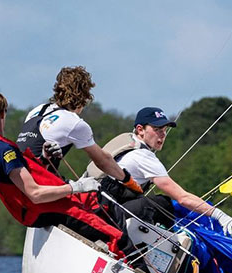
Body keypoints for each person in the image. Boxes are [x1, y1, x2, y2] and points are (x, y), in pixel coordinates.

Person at [0, 89, 127, 254]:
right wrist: (77, 187)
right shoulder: (3, 149)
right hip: (42, 209)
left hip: (34, 209)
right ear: (2, 114)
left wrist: (45, 159)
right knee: (118, 235)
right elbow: (34, 194)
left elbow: (22, 179)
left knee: (101, 206)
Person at [93, 107, 232, 237]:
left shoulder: (127, 141)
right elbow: (183, 198)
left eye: (164, 131)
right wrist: (219, 215)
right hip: (108, 214)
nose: (162, 135)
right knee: (163, 203)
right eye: (157, 130)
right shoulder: (144, 156)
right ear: (140, 129)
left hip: (98, 205)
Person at [17, 66, 142, 195]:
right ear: (85, 96)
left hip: (19, 180)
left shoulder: (39, 109)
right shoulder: (73, 122)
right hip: (41, 185)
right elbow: (103, 161)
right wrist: (129, 181)